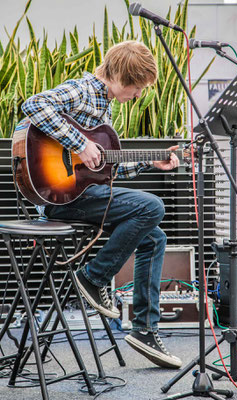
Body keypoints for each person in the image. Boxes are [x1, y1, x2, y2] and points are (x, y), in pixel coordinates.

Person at [21, 40, 182, 369]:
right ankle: (93, 278)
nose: (138, 96)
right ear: (123, 77)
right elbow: (34, 104)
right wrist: (79, 143)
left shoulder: (104, 107)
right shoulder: (83, 90)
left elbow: (100, 170)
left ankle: (145, 330)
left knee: (155, 236)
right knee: (152, 207)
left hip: (83, 194)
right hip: (60, 199)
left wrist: (150, 162)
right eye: (137, 88)